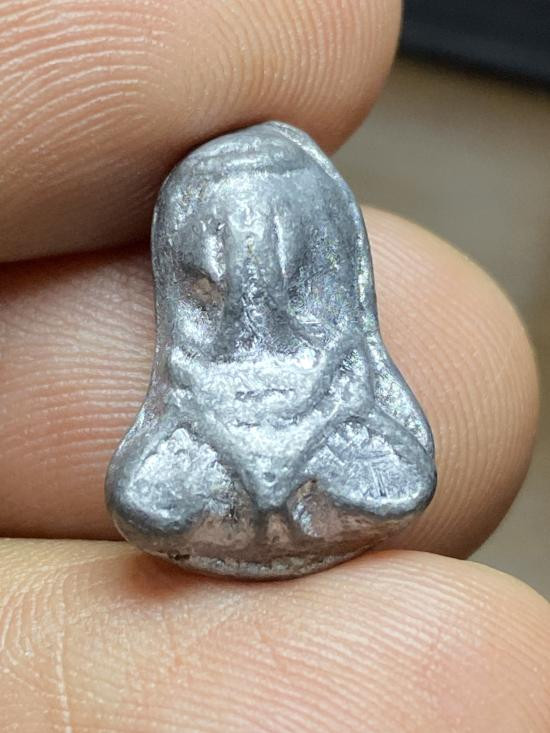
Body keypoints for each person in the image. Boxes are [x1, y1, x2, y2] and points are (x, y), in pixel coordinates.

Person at [0, 1, 547, 729]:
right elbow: (146, 499)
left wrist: (307, 443)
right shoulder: (194, 366)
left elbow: (404, 484)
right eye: (215, 274)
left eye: (284, 267)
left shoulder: (346, 365)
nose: (252, 303)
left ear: (323, 257)